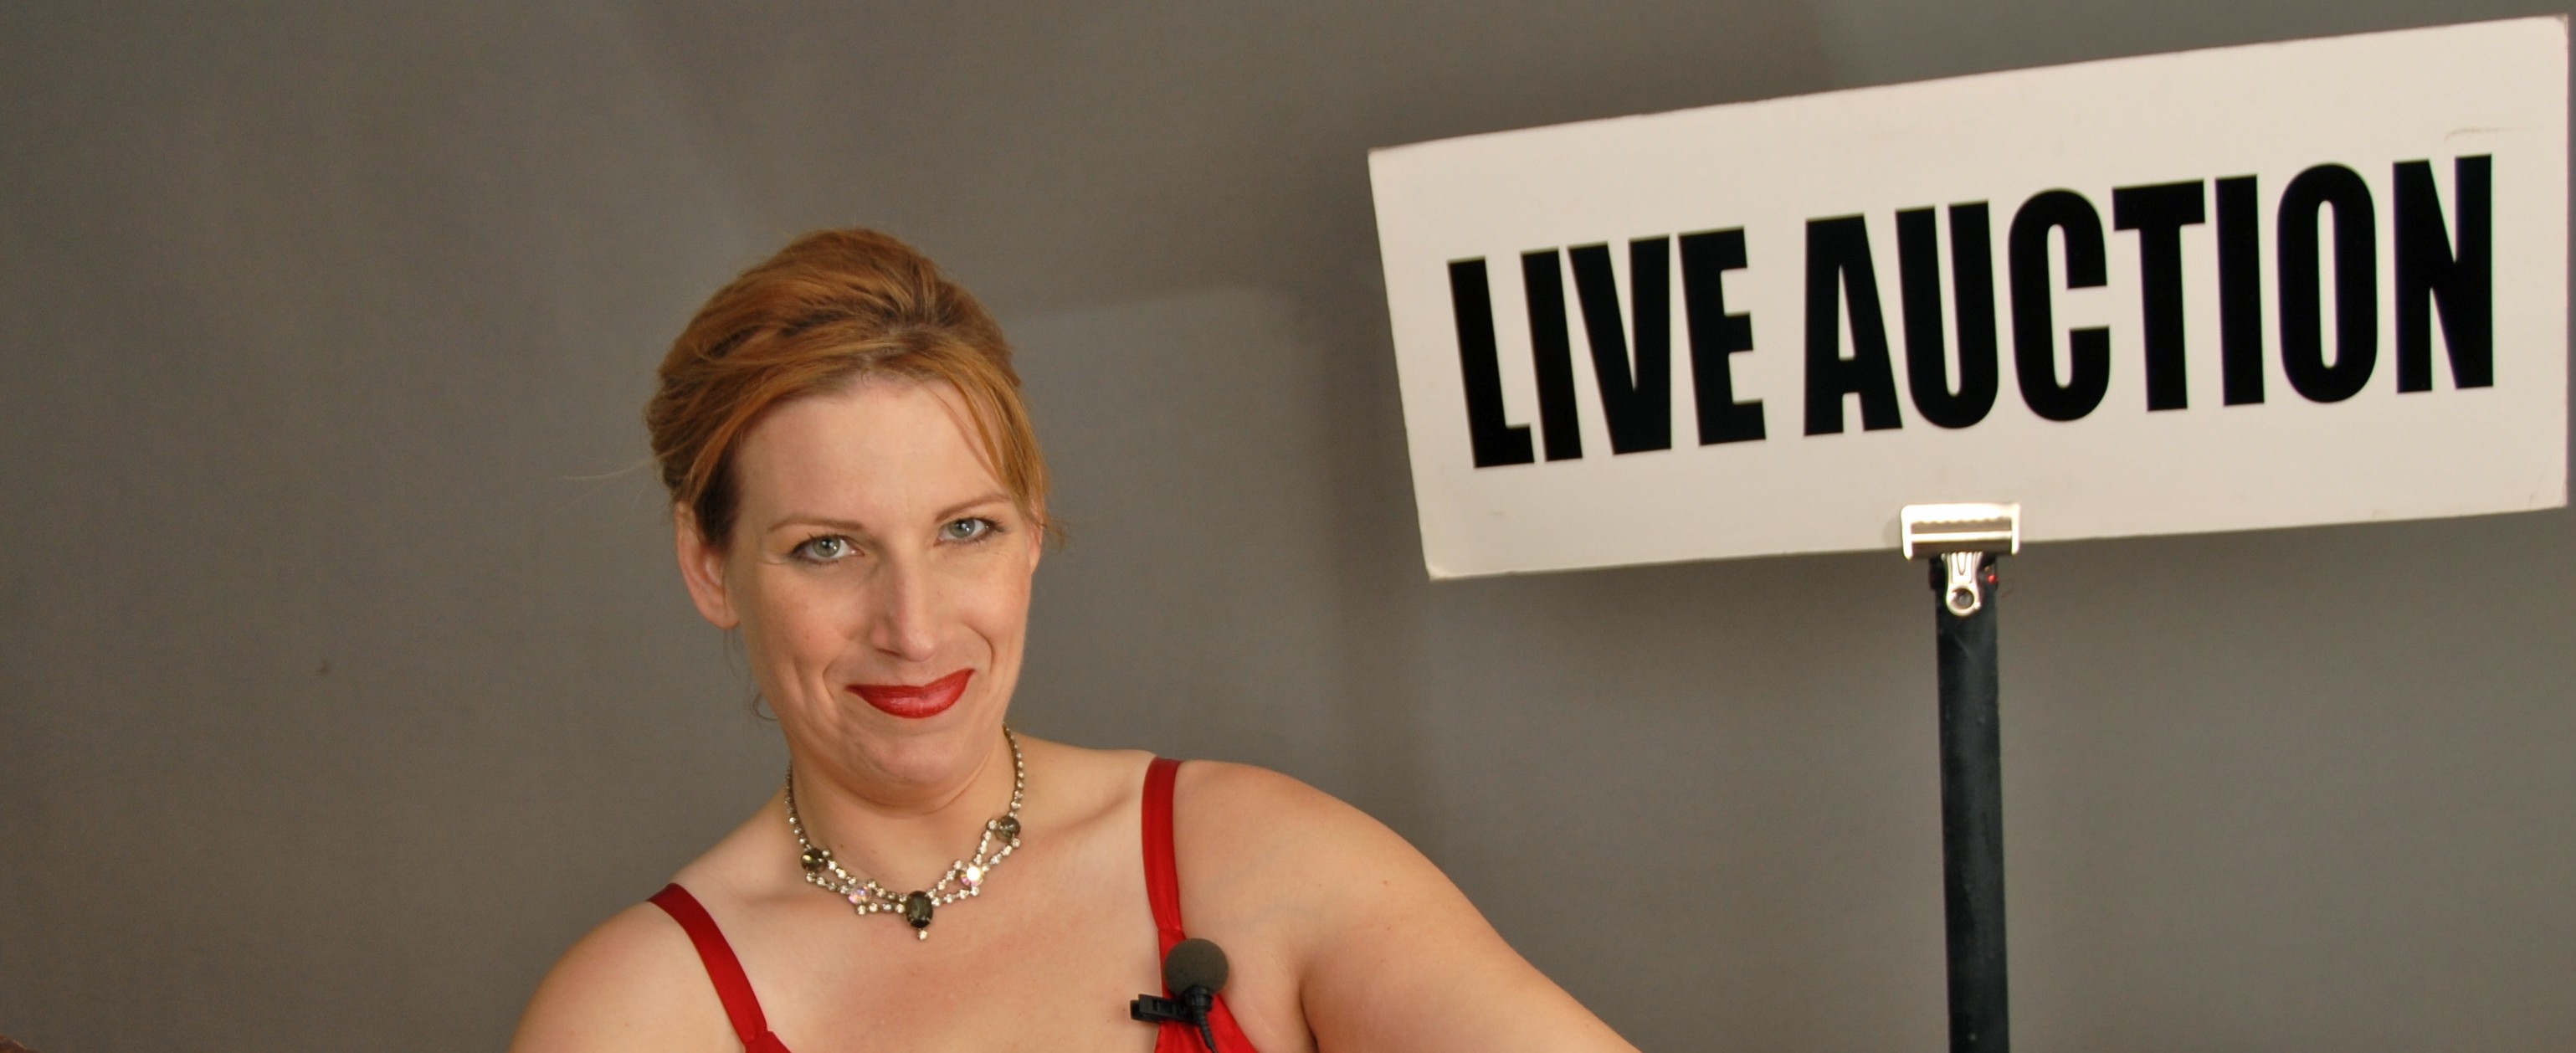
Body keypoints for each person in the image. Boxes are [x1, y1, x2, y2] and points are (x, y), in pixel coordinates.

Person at [509, 229, 1637, 1052]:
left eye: (965, 530)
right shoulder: (634, 1013)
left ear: (1033, 526)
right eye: (827, 548)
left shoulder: (1260, 859)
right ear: (709, 565)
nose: (914, 626)